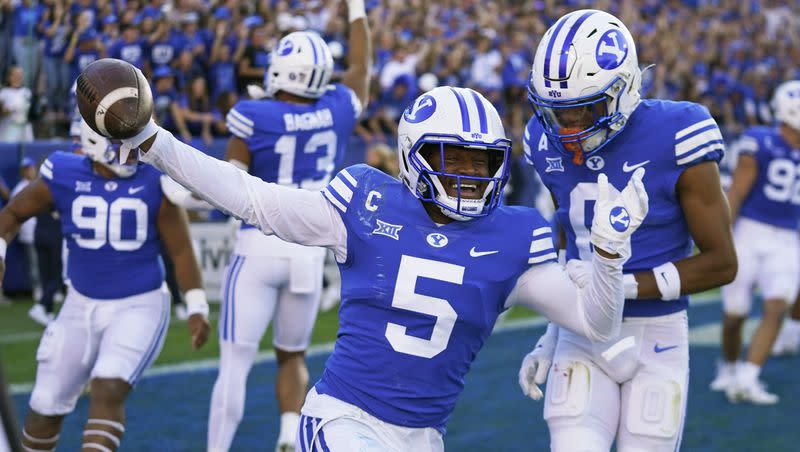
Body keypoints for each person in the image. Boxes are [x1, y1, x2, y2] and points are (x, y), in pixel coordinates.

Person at [112, 73, 648, 450]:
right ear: (414, 154)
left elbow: (593, 322)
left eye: (481, 162)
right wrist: (153, 142)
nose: (469, 175)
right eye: (452, 159)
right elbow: (252, 198)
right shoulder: (364, 203)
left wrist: (607, 251)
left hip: (423, 437)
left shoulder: (514, 235)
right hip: (342, 418)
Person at [518, 9, 737, 452]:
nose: (570, 128)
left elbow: (721, 262)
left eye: (585, 110)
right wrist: (552, 332)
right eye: (559, 113)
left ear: (624, 89)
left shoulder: (678, 131)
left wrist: (617, 286)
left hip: (657, 332)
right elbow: (570, 236)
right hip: (581, 331)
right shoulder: (542, 141)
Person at [208, 2, 372, 449]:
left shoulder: (253, 114)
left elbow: (229, 180)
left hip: (257, 246)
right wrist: (355, 9)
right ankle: (287, 434)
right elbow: (361, 67)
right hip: (308, 250)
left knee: (234, 363)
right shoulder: (338, 107)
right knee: (292, 354)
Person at [0, 120, 211, 452]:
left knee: (109, 385)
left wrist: (197, 305)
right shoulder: (64, 172)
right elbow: (12, 213)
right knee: (44, 404)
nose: (133, 151)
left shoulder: (154, 179)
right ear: (94, 142)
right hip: (79, 304)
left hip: (140, 303)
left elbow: (181, 249)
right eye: (123, 141)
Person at [709, 80, 800, 404]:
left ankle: (748, 379)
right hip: (749, 232)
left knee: (777, 305)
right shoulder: (760, 140)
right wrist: (723, 237)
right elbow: (737, 191)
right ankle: (729, 365)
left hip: (787, 238)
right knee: (735, 314)